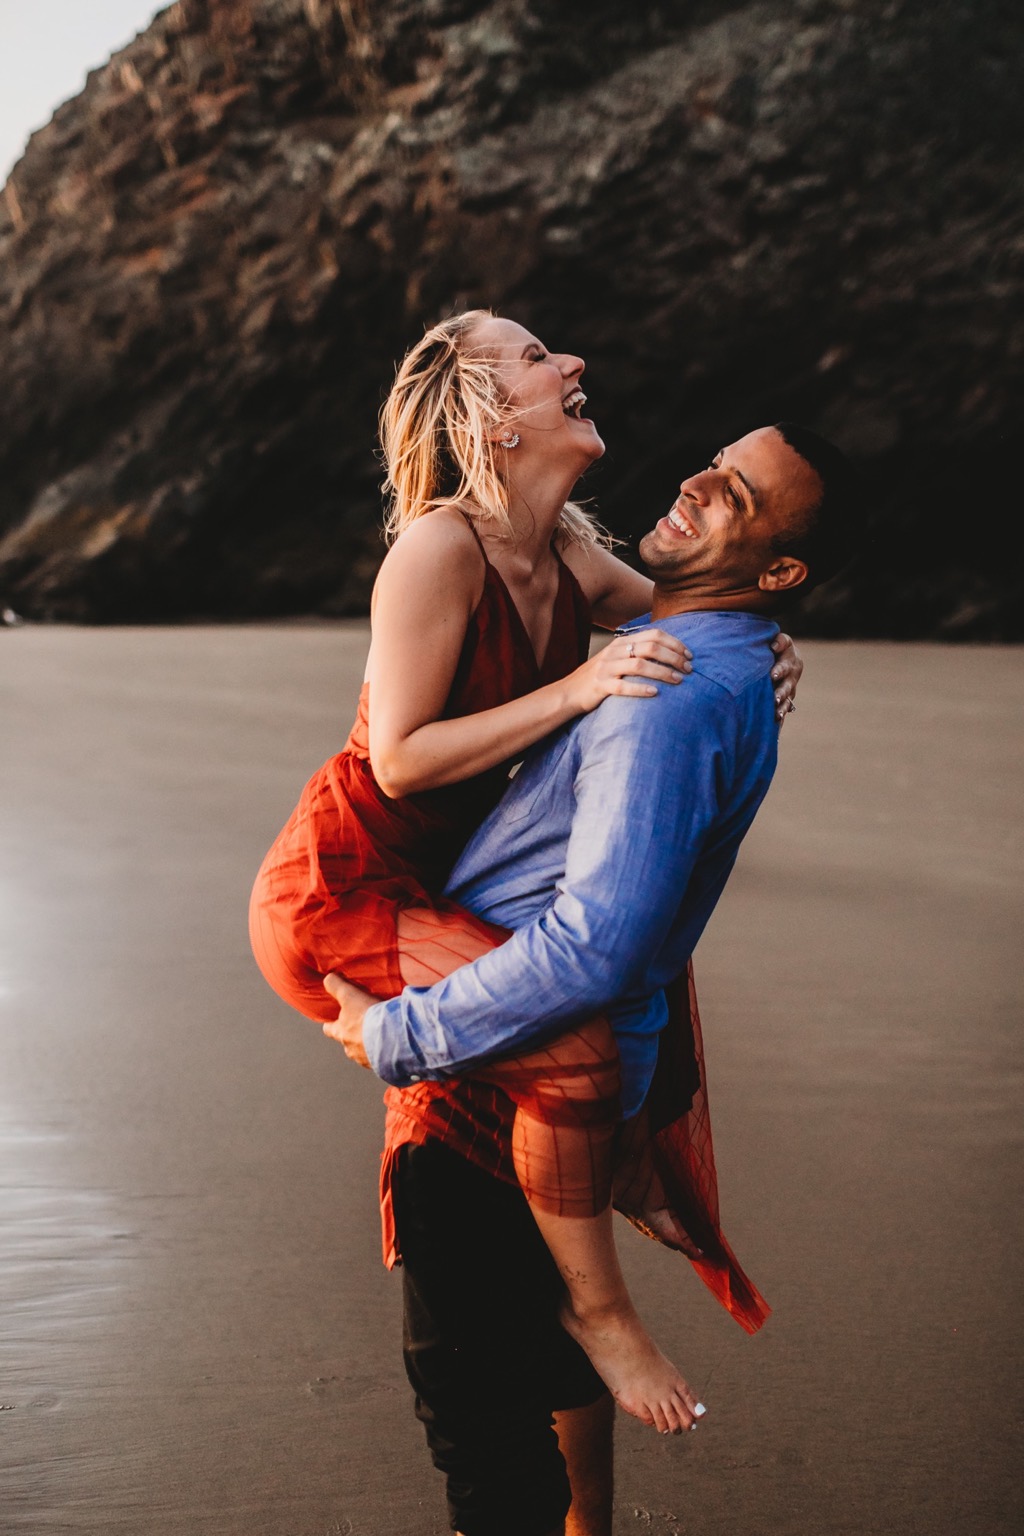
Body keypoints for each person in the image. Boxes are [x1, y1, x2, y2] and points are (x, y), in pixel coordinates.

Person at [249, 308, 803, 1430]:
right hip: (341, 888)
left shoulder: (561, 550)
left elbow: (688, 604)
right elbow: (400, 760)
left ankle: (616, 1176)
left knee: (629, 1001)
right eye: (540, 358)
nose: (575, 361)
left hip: (437, 881)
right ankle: (600, 1312)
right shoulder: (438, 551)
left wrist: (769, 634)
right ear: (493, 420)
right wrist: (574, 689)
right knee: (577, 1050)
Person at [321, 421, 860, 1536]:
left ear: (780, 569)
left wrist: (402, 1036)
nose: (696, 480)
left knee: (477, 1409)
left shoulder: (662, 687)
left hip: (500, 1060)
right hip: (552, 1038)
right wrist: (752, 626)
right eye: (716, 460)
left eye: (736, 493)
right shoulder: (660, 629)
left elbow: (593, 945)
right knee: (544, 1340)